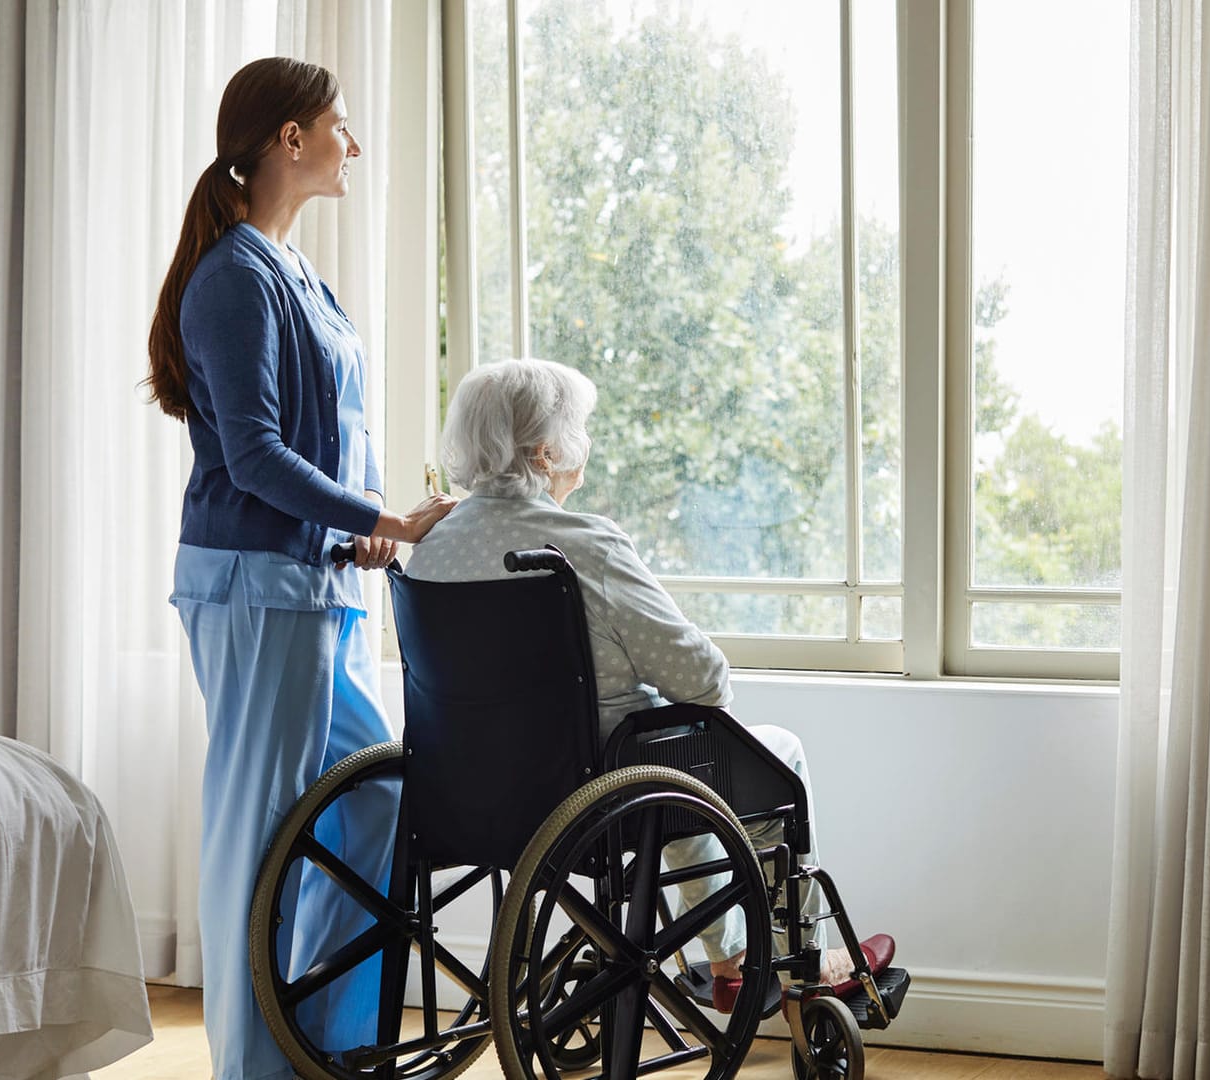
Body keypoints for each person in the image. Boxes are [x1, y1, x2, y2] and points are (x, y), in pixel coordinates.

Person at [405, 358, 892, 1016]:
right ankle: (776, 960)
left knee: (671, 748)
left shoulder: (432, 547)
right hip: (596, 793)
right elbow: (704, 681)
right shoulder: (586, 546)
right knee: (759, 755)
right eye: (579, 429)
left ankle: (728, 958)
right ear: (547, 450)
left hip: (467, 791)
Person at [144, 57, 456, 1079]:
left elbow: (326, 441)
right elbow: (257, 457)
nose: (352, 147)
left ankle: (318, 1034)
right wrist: (385, 518)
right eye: (339, 127)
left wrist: (362, 528)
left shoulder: (297, 274)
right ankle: (251, 1063)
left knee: (376, 798)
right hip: (257, 590)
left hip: (312, 584)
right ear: (289, 139)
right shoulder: (232, 277)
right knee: (258, 830)